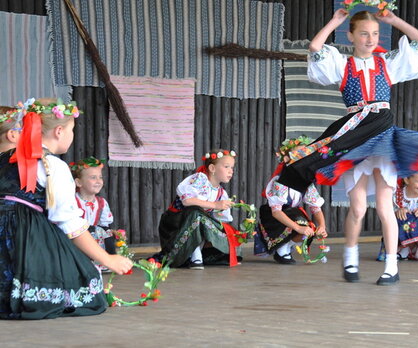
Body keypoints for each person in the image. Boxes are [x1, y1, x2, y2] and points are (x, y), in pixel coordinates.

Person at [277, 7, 418, 285]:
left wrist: (394, 20)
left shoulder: (386, 64)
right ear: (352, 36)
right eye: (364, 34)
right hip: (355, 136)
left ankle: (391, 267)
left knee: (383, 206)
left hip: (381, 134)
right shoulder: (342, 64)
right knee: (357, 208)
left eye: (375, 34)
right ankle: (350, 258)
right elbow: (315, 47)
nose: (370, 39)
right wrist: (334, 20)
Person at [0, 98, 132, 319]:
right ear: (59, 131)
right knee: (88, 288)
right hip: (26, 238)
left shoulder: (4, 158)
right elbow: (70, 223)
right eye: (72, 129)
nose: (72, 135)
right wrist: (108, 259)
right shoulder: (52, 166)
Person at [157, 149, 240, 269]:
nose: (230, 171)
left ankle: (199, 253)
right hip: (176, 225)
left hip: (196, 223)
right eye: (226, 167)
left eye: (232, 168)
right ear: (212, 168)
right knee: (196, 213)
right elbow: (187, 201)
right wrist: (216, 205)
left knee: (231, 236)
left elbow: (222, 220)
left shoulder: (222, 193)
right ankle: (195, 257)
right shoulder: (199, 179)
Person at [254, 137, 328, 264]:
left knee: (310, 227)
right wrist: (298, 228)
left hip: (291, 214)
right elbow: (276, 212)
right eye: (298, 156)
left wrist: (322, 226)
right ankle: (281, 248)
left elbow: (316, 208)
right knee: (300, 222)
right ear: (288, 160)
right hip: (274, 218)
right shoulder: (281, 182)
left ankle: (287, 246)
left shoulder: (306, 183)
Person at [70, 157, 116, 270]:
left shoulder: (101, 202)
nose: (98, 181)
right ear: (79, 182)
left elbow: (105, 224)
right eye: (93, 178)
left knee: (106, 232)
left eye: (100, 177)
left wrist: (113, 232)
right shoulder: (72, 201)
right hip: (78, 235)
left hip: (95, 235)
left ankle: (106, 260)